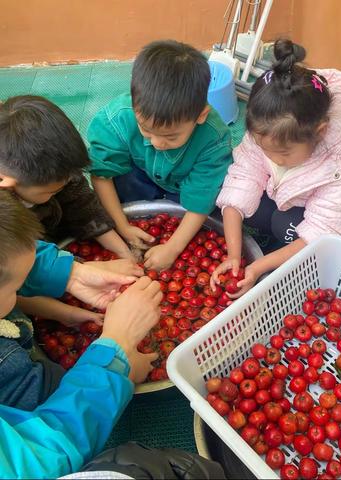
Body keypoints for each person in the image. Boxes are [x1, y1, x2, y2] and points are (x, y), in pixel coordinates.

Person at [212, 39, 341, 297]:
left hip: (326, 219)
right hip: (284, 192)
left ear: (319, 132)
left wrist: (257, 268)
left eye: (283, 153)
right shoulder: (267, 129)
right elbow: (242, 178)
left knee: (284, 224)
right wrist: (234, 255)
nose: (273, 159)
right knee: (245, 205)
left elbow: (323, 232)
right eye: (263, 148)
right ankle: (278, 246)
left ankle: (285, 250)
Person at [0, 191, 154, 411]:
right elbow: (56, 423)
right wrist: (117, 354)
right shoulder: (7, 368)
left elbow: (13, 259)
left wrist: (72, 275)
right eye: (17, 287)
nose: (19, 294)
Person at [88, 40, 233, 272]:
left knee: (214, 205)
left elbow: (201, 199)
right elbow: (101, 175)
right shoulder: (117, 120)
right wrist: (122, 226)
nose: (156, 143)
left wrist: (173, 248)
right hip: (140, 173)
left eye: (171, 137)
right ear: (135, 107)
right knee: (119, 177)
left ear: (201, 116)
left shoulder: (213, 140)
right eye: (145, 130)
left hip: (183, 185)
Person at [0, 95, 134, 261]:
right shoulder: (5, 221)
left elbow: (80, 201)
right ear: (5, 183)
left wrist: (122, 251)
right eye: (53, 191)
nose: (65, 186)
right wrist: (80, 269)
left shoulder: (52, 167)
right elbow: (28, 262)